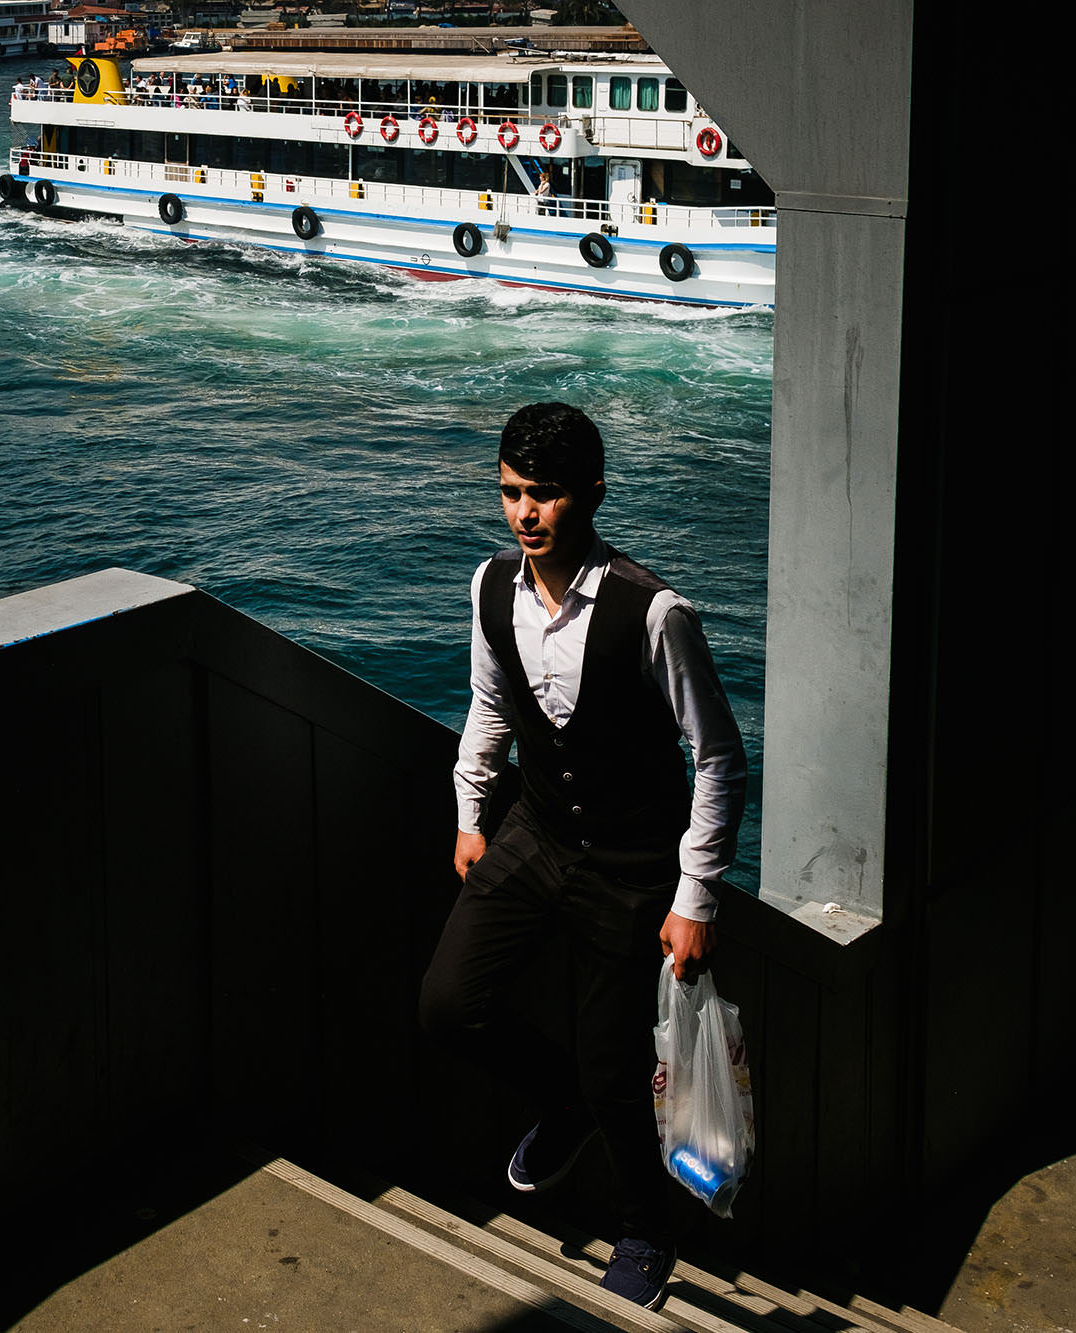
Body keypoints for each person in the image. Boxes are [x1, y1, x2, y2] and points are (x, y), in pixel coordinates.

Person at [418, 402, 746, 1311]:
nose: (526, 513)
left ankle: (649, 1225)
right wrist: (469, 811)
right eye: (513, 493)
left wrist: (698, 895)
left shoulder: (655, 612)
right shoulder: (490, 586)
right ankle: (557, 1107)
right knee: (449, 1005)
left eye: (546, 495)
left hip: (632, 861)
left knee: (615, 1068)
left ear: (591, 493)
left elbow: (716, 755)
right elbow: (488, 703)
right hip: (534, 833)